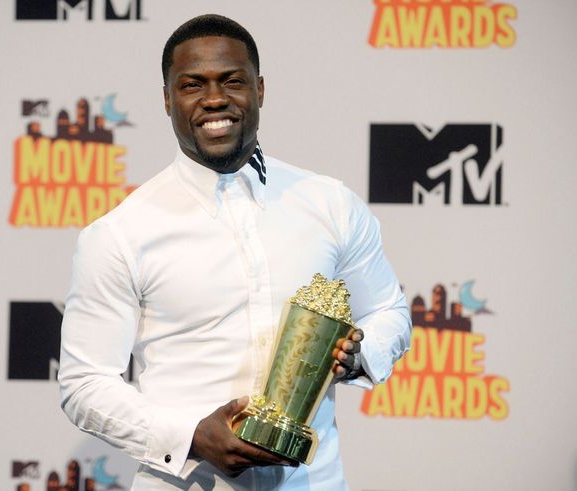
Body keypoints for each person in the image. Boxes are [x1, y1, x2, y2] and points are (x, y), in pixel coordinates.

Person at [59, 14, 411, 490]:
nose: (215, 99)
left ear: (260, 89)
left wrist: (359, 355)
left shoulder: (330, 204)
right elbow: (84, 384)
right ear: (167, 99)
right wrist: (190, 437)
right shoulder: (120, 234)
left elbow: (388, 309)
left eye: (232, 81)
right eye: (191, 85)